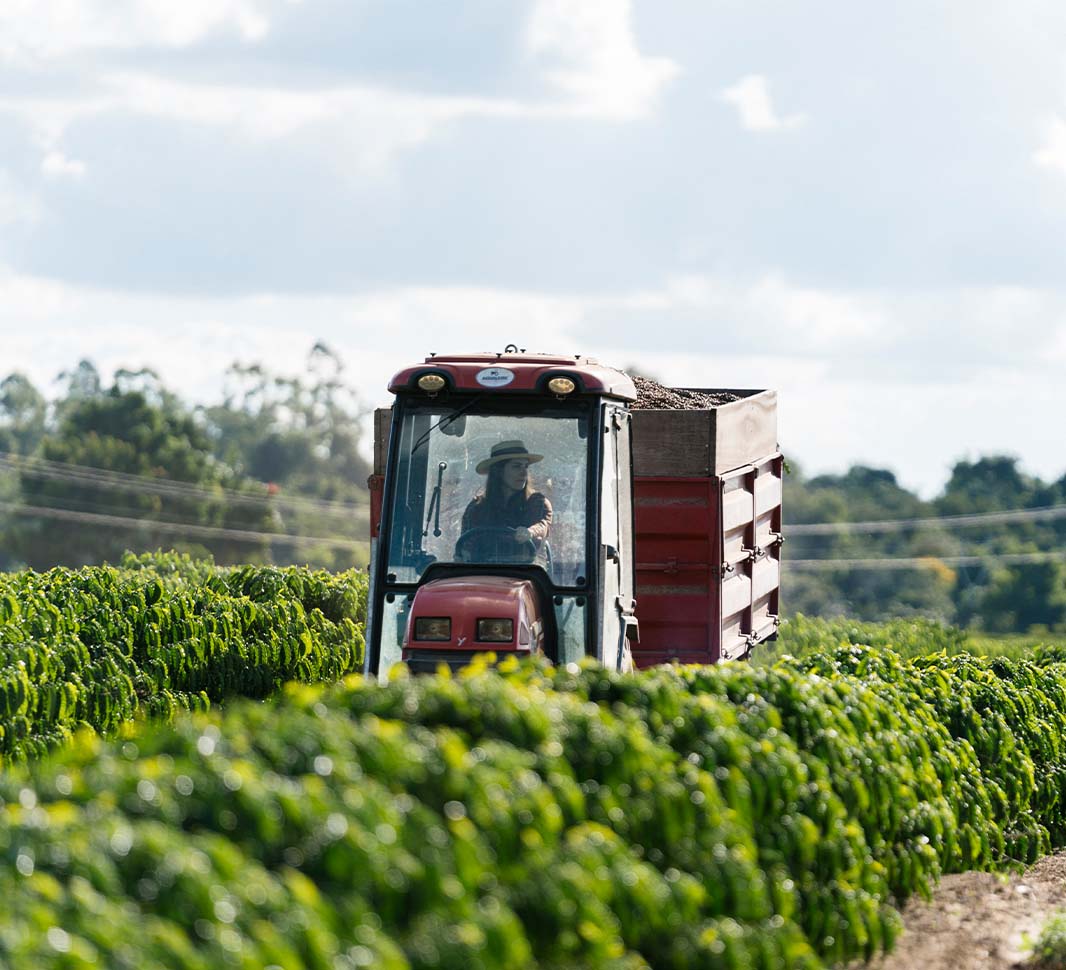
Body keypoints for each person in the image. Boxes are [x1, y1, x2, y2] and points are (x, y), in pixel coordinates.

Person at [457, 440, 552, 563]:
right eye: (516, 466)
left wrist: (529, 532)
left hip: (527, 571)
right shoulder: (477, 507)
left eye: (525, 467)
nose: (524, 473)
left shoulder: (538, 503)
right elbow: (466, 542)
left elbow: (542, 525)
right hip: (483, 571)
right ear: (498, 471)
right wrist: (461, 556)